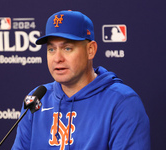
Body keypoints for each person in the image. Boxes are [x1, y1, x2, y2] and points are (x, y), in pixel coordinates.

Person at [12, 10, 150, 150]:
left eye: (67, 48)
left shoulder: (122, 102)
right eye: (51, 49)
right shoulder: (37, 99)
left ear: (90, 50)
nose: (57, 58)